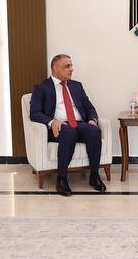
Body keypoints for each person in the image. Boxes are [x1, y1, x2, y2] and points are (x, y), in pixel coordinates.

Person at [29, 54, 107, 196]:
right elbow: (34, 113)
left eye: (71, 66)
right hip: (59, 127)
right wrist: (52, 122)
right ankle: (62, 179)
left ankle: (94, 175)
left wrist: (92, 120)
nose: (71, 69)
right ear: (55, 68)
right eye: (67, 66)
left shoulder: (76, 86)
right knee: (69, 132)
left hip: (78, 124)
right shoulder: (41, 88)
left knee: (94, 131)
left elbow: (89, 107)